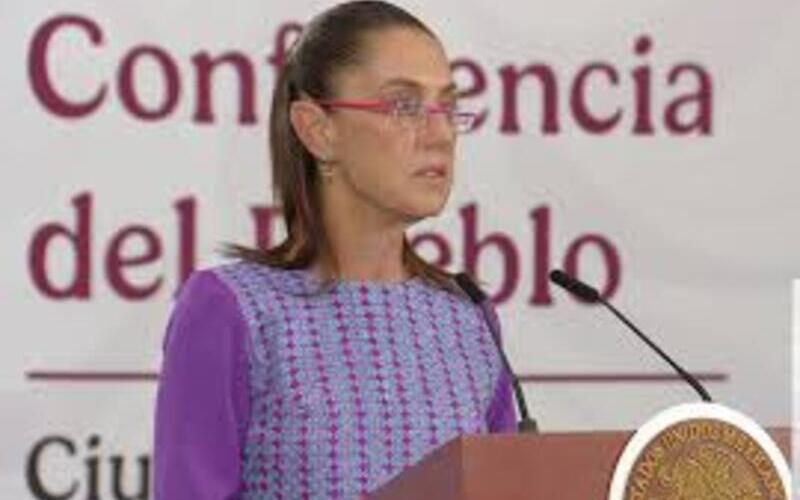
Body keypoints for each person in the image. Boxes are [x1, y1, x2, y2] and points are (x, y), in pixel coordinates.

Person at [153, 1, 516, 498]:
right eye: (405, 106)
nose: (440, 135)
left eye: (447, 107)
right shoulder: (231, 309)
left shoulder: (468, 318)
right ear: (317, 130)